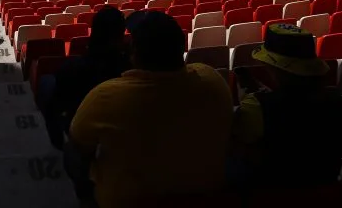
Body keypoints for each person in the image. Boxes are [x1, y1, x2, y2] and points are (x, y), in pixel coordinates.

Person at [69, 11, 233, 208]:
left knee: (71, 152)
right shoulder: (213, 81)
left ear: (134, 54)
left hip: (129, 201)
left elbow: (78, 143)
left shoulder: (106, 97)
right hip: (204, 195)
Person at [231, 24, 342, 187]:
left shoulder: (257, 107)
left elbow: (239, 143)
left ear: (273, 66)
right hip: (324, 189)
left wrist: (251, 100)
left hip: (274, 191)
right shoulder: (336, 100)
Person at [39, 7, 129, 152]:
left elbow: (59, 97)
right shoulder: (129, 66)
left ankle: (58, 140)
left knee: (46, 82)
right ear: (121, 35)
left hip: (83, 136)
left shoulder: (74, 68)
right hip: (120, 133)